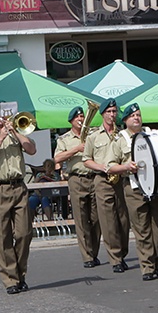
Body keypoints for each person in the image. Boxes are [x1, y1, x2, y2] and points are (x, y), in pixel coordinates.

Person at [0, 101, 37, 294]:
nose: (0, 116)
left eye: (3, 113)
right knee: (3, 236)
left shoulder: (17, 131)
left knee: (24, 233)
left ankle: (20, 273)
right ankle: (11, 279)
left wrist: (15, 133)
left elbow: (31, 150)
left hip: (18, 186)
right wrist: (1, 137)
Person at [114, 103, 158, 281]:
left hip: (156, 187)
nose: (136, 118)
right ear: (125, 120)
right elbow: (110, 165)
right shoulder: (120, 139)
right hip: (134, 188)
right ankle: (147, 267)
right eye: (132, 116)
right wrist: (126, 166)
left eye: (138, 115)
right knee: (142, 229)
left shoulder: (150, 134)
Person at [83, 98, 131, 273]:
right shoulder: (94, 136)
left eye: (114, 112)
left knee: (124, 220)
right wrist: (102, 167)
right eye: (109, 112)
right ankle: (115, 258)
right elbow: (86, 160)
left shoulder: (123, 134)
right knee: (108, 221)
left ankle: (123, 252)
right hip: (102, 180)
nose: (112, 115)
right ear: (102, 114)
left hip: (122, 179)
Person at [54, 106, 101, 268]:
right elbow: (57, 158)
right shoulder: (64, 138)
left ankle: (94, 252)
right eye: (77, 118)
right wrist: (76, 149)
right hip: (76, 179)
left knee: (96, 219)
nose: (80, 119)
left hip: (94, 177)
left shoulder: (93, 134)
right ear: (71, 121)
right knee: (81, 220)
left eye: (82, 116)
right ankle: (87, 256)